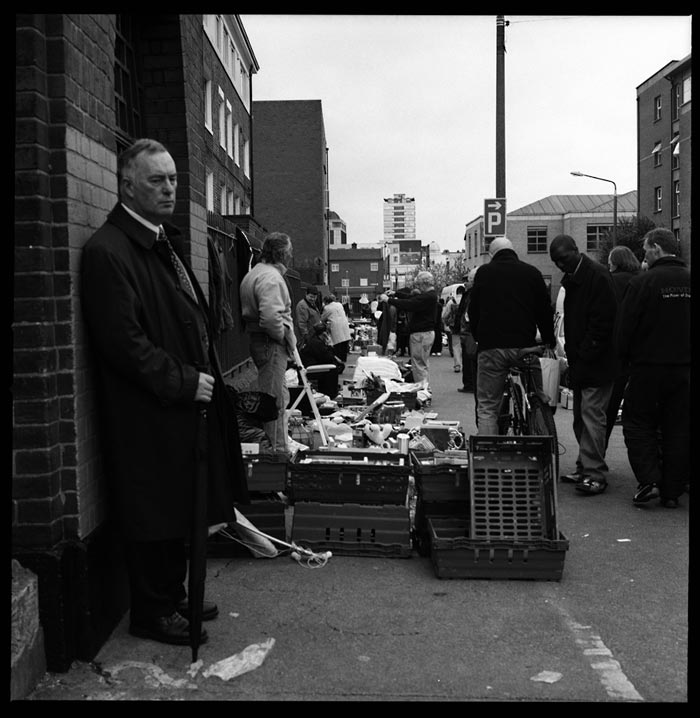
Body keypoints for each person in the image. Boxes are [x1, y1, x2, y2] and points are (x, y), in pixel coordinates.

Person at [80, 138, 248, 648]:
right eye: (157, 179)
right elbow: (123, 344)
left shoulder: (158, 242)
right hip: (147, 411)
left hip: (178, 406)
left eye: (173, 178)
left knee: (179, 504)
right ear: (127, 184)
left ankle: (174, 595)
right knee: (153, 507)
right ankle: (152, 611)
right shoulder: (108, 252)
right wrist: (181, 380)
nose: (170, 188)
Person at [616, 228, 690, 508]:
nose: (643, 254)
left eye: (645, 249)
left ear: (656, 249)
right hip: (684, 369)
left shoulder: (643, 283)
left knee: (637, 423)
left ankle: (649, 481)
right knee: (679, 427)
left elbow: (626, 328)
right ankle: (672, 490)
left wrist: (623, 360)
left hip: (648, 367)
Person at [549, 234, 617, 495]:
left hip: (596, 360)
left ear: (576, 251)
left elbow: (603, 323)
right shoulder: (578, 276)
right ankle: (586, 465)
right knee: (583, 417)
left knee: (591, 417)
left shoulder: (596, 277)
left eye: (563, 259)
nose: (560, 265)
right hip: (585, 359)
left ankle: (594, 472)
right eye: (556, 261)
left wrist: (584, 352)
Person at [469, 238, 555, 435]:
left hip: (492, 347)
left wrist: (478, 337)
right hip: (525, 347)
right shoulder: (532, 272)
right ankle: (537, 408)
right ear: (513, 250)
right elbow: (544, 310)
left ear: (492, 255)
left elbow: (474, 310)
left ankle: (489, 454)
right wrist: (548, 339)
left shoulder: (485, 273)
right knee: (536, 391)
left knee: (488, 406)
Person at [240, 232, 298, 453]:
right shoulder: (271, 278)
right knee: (272, 404)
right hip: (270, 344)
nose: (291, 255)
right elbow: (271, 317)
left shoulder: (256, 273)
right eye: (289, 251)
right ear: (282, 253)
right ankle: (273, 456)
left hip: (262, 341)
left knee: (278, 397)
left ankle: (279, 450)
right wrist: (284, 336)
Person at [604, 245, 641, 449]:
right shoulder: (641, 279)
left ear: (616, 261)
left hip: (615, 353)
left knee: (608, 407)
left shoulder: (611, 281)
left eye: (610, 260)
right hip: (641, 354)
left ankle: (599, 452)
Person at [380, 271, 438, 388]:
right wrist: (396, 293)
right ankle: (425, 388)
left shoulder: (428, 296)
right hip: (426, 333)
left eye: (418, 285)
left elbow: (410, 304)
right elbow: (412, 298)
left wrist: (389, 300)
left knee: (418, 365)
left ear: (423, 284)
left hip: (421, 334)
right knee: (423, 363)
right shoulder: (430, 295)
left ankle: (422, 390)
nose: (418, 288)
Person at [298, 322, 346, 398]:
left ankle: (329, 391)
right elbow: (328, 358)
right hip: (311, 369)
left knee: (335, 365)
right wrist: (329, 344)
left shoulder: (312, 340)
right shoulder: (317, 343)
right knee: (333, 368)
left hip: (308, 365)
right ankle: (331, 394)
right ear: (324, 333)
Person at [457, 270, 479, 393]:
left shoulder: (472, 295)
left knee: (470, 357)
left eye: (468, 280)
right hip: (467, 330)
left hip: (469, 331)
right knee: (468, 357)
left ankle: (471, 384)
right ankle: (469, 383)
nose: (465, 283)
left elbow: (468, 313)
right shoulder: (469, 294)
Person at [321, 293, 352, 362]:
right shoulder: (339, 304)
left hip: (336, 326)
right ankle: (344, 359)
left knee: (337, 344)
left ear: (326, 301)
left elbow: (322, 318)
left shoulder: (327, 308)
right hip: (344, 325)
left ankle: (338, 360)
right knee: (344, 343)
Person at [441, 286, 462, 373]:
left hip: (455, 326)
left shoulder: (451, 301)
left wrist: (446, 322)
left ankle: (457, 365)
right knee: (467, 346)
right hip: (467, 327)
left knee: (456, 346)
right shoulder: (469, 299)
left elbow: (444, 315)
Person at [375, 291, 398, 356]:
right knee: (390, 343)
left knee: (389, 343)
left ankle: (387, 354)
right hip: (391, 329)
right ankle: (389, 354)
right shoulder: (392, 307)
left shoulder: (388, 308)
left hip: (388, 329)